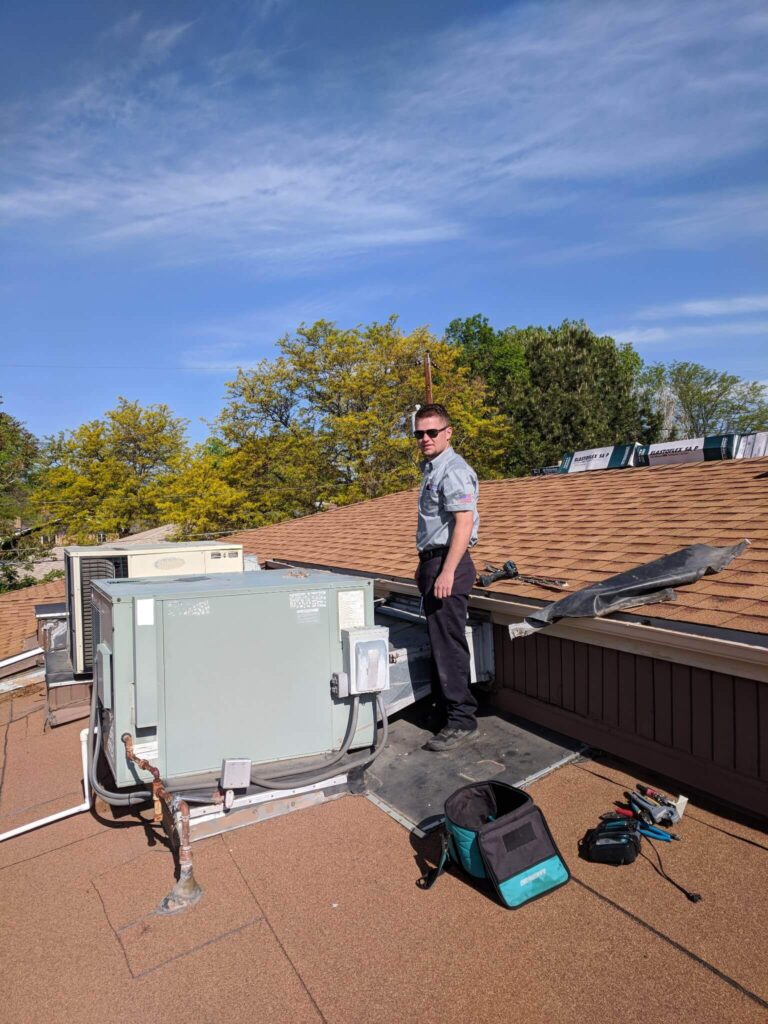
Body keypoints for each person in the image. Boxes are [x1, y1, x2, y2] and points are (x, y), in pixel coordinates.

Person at [413, 403, 480, 751]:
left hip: (448, 564)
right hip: (434, 562)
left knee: (450, 644)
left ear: (448, 432)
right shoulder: (432, 469)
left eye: (432, 432)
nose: (425, 438)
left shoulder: (453, 470)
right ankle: (445, 712)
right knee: (439, 643)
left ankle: (462, 720)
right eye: (419, 433)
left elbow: (463, 524)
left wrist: (447, 571)